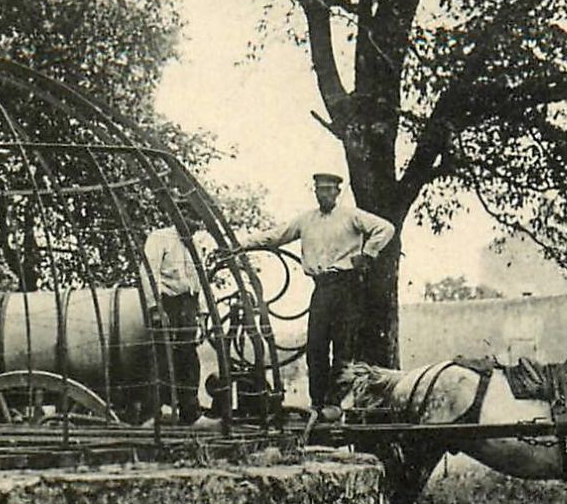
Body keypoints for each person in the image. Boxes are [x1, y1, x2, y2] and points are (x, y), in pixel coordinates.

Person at [220, 172, 394, 410]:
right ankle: (317, 402)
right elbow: (276, 235)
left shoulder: (351, 215)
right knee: (316, 347)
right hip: (322, 287)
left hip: (347, 286)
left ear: (337, 192)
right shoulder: (306, 220)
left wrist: (367, 254)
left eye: (328, 189)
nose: (323, 194)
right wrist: (240, 245)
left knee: (343, 348)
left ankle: (334, 404)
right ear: (315, 192)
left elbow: (385, 228)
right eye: (319, 190)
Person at [140, 223, 211, 424]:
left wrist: (203, 314)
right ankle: (153, 413)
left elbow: (201, 280)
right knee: (161, 355)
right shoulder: (159, 237)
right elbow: (148, 273)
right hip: (167, 302)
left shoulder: (195, 243)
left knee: (188, 356)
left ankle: (190, 413)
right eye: (186, 215)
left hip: (188, 303)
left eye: (196, 220)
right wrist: (155, 307)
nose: (193, 223)